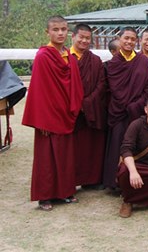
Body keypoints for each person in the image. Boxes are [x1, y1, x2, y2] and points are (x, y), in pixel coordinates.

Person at [22, 16, 84, 211]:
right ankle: (45, 196)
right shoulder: (43, 56)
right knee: (46, 158)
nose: (60, 33)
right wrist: (41, 121)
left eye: (64, 29)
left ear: (68, 33)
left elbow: (76, 88)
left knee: (66, 155)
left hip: (65, 114)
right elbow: (39, 91)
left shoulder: (69, 57)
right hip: (48, 117)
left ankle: (65, 192)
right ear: (47, 32)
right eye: (56, 29)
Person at [104, 27, 148, 190]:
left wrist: (137, 105)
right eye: (126, 38)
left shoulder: (143, 61)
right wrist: (125, 104)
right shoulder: (113, 63)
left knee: (135, 144)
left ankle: (134, 180)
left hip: (137, 110)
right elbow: (114, 88)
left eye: (133, 39)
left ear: (136, 41)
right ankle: (115, 181)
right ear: (120, 39)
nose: (129, 42)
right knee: (117, 143)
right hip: (118, 111)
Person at [70, 23, 107, 188]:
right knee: (73, 147)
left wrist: (87, 102)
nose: (84, 41)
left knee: (91, 145)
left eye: (87, 38)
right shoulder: (65, 58)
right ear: (73, 37)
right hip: (70, 110)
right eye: (81, 37)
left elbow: (101, 84)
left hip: (91, 109)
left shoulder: (95, 60)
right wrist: (76, 104)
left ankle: (91, 180)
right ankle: (72, 179)